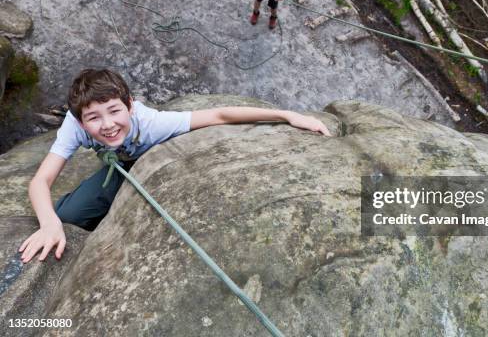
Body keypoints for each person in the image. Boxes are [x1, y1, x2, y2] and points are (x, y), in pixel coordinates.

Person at [18, 69, 330, 263]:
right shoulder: (73, 127)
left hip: (155, 157)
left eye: (114, 111)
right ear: (81, 121)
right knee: (66, 216)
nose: (108, 124)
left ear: (130, 104)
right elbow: (40, 181)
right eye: (94, 118)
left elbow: (218, 116)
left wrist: (287, 115)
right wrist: (50, 224)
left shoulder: (152, 123)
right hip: (119, 167)